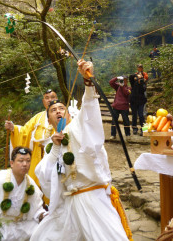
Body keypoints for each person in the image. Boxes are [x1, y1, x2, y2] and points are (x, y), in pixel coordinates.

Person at [30, 60, 130, 241]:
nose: (58, 111)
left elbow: (89, 111)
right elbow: (44, 176)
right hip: (68, 203)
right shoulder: (51, 145)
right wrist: (55, 150)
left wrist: (88, 82)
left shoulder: (77, 127)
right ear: (49, 118)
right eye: (53, 110)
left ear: (68, 114)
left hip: (92, 196)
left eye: (62, 108)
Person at [5, 89, 58, 186]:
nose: (50, 100)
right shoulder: (37, 118)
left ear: (57, 99)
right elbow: (25, 132)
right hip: (37, 159)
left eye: (52, 97)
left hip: (55, 159)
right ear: (43, 102)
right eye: (47, 98)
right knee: (34, 189)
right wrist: (13, 128)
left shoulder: (62, 116)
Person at [0, 146, 46, 241]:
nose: (25, 164)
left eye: (28, 161)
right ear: (12, 163)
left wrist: (43, 215)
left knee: (42, 230)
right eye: (21, 160)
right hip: (0, 225)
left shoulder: (30, 184)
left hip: (20, 226)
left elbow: (36, 209)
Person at [109, 75, 131, 141]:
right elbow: (111, 82)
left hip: (124, 107)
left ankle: (127, 134)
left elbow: (126, 93)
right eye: (122, 80)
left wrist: (122, 86)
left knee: (126, 121)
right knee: (114, 121)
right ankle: (113, 135)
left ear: (127, 81)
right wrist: (117, 78)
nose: (123, 81)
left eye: (125, 80)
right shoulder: (118, 86)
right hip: (116, 106)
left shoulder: (129, 88)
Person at [129, 64, 148, 135]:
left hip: (141, 101)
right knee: (134, 115)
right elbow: (130, 77)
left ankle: (144, 129)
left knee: (141, 115)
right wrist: (136, 76)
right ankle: (134, 129)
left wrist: (141, 80)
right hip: (133, 101)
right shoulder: (133, 83)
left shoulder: (143, 84)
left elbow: (144, 89)